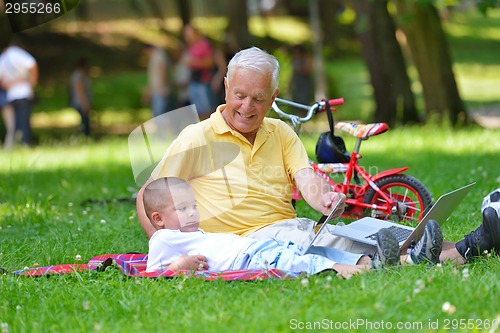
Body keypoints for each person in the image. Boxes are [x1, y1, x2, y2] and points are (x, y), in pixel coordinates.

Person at [136, 47, 500, 270]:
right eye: (240, 95)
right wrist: (169, 250)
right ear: (227, 88)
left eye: (259, 99)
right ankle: (470, 245)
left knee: (383, 231)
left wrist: (324, 198)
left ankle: (472, 244)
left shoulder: (280, 132)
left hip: (295, 231)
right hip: (250, 244)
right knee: (356, 246)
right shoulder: (196, 138)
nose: (247, 107)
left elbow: (305, 177)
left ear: (274, 95)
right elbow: (148, 194)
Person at [143, 177, 402, 277]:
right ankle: (363, 272)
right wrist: (180, 266)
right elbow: (153, 275)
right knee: (310, 264)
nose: (192, 213)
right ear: (158, 219)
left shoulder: (191, 234)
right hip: (250, 257)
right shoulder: (163, 239)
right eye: (182, 208)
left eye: (193, 205)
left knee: (318, 252)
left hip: (260, 246)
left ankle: (368, 260)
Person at [0, 36, 38, 146]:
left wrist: (10, 83)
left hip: (10, 95)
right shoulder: (18, 53)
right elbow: (32, 63)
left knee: (16, 123)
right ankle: (24, 144)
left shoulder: (3, 58)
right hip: (23, 93)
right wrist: (32, 80)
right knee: (24, 122)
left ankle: (17, 144)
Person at [182, 24, 215, 119]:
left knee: (207, 110)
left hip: (203, 82)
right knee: (197, 111)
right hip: (193, 82)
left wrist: (193, 62)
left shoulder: (204, 45)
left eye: (190, 34)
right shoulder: (190, 47)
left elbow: (210, 63)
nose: (188, 37)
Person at [142, 43, 170, 118]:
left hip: (160, 90)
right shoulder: (154, 56)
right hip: (156, 90)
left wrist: (163, 87)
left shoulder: (158, 56)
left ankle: (162, 129)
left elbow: (162, 70)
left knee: (160, 113)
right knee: (157, 113)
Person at [69, 57, 92, 136]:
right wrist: (85, 103)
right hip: (80, 103)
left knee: (84, 120)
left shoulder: (78, 75)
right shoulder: (78, 76)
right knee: (84, 122)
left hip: (80, 102)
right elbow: (80, 90)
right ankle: (84, 137)